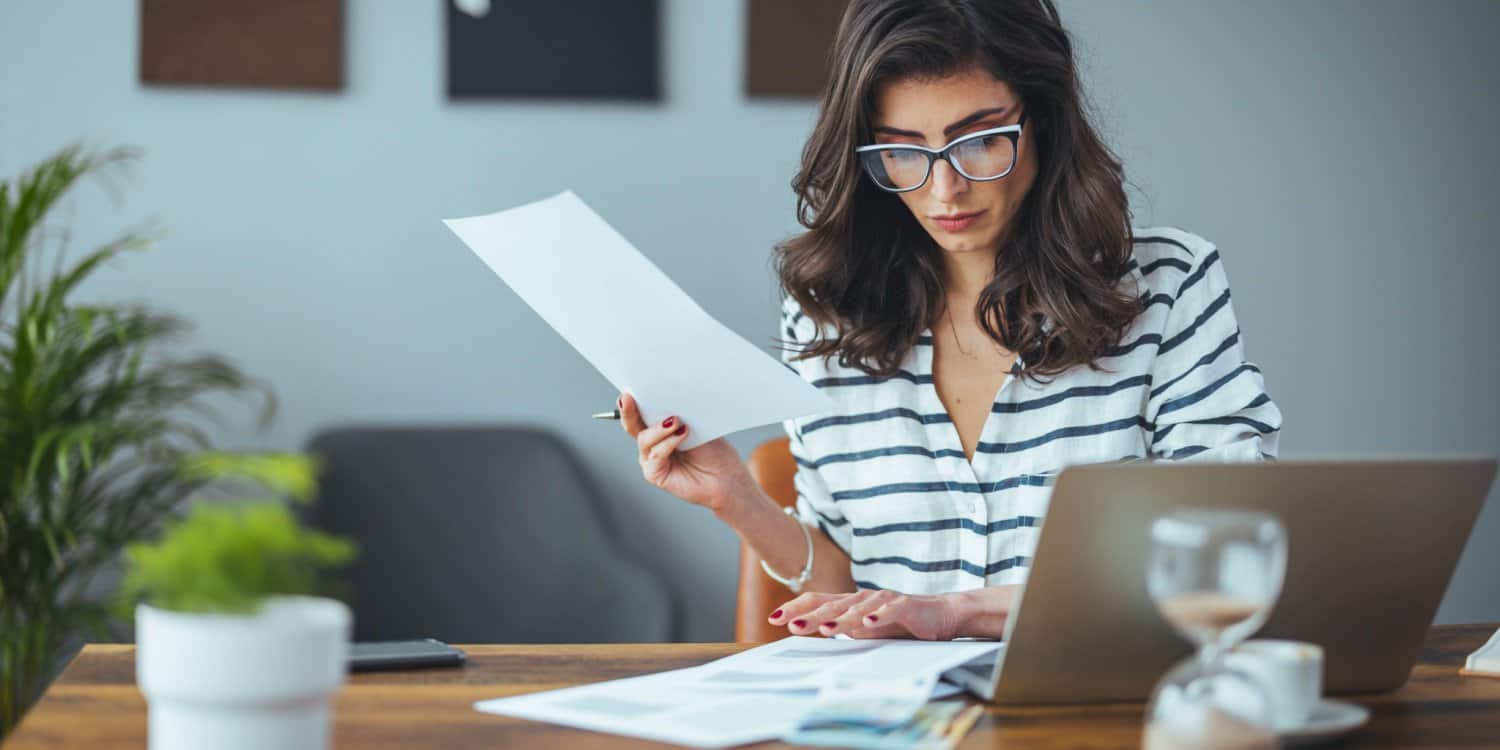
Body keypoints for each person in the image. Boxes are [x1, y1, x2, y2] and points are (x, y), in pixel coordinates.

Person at [616, 0, 1281, 641]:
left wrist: (960, 613)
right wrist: (737, 498)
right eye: (902, 151)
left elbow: (1224, 550)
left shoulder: (1167, 284)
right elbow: (845, 585)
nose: (944, 191)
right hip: (894, 715)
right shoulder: (827, 317)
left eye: (982, 141)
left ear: (1044, 121)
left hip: (1094, 703)